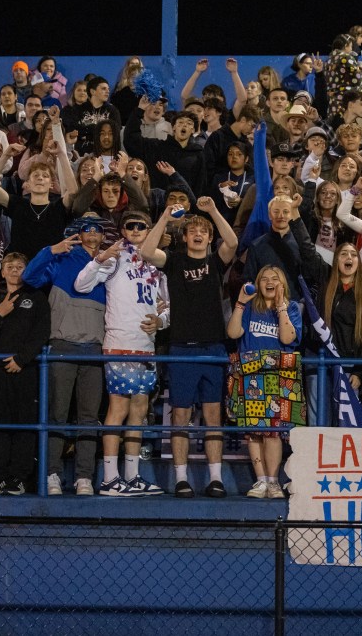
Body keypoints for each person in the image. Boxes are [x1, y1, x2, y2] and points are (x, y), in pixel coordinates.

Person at [141, 196, 238, 498]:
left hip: (213, 348)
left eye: (203, 232)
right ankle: (181, 478)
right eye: (192, 230)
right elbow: (146, 251)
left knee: (213, 415)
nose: (197, 234)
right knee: (180, 415)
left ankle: (215, 479)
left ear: (209, 238)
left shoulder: (215, 262)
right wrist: (165, 218)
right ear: (184, 237)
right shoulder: (174, 261)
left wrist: (213, 211)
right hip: (182, 347)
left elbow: (233, 242)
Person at [74, 212, 168, 496]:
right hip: (120, 342)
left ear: (149, 230)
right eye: (131, 226)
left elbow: (167, 305)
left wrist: (161, 322)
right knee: (119, 409)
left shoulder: (157, 262)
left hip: (146, 345)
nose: (136, 230)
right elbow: (81, 285)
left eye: (142, 226)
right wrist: (100, 259)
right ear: (123, 230)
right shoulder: (115, 257)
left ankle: (132, 476)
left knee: (139, 410)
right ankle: (109, 478)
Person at [22, 216, 108, 496]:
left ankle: (84, 477)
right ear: (79, 235)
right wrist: (50, 251)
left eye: (97, 230)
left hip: (94, 349)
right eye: (87, 230)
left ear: (103, 236)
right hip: (62, 345)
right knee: (57, 415)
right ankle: (52, 474)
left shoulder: (110, 265)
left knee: (89, 418)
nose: (92, 234)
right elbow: (29, 278)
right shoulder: (62, 259)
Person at [227, 264, 304, 499]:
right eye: (264, 279)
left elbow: (287, 338)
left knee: (273, 433)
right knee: (253, 432)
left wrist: (281, 308)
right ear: (258, 284)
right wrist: (240, 303)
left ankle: (273, 481)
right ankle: (260, 481)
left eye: (275, 278)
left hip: (277, 378)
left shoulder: (291, 307)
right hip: (251, 376)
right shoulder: (250, 307)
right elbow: (233, 333)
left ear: (283, 284)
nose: (269, 282)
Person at [0, 253, 50, 495]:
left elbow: (42, 332)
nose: (15, 270)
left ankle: (18, 478)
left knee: (24, 426)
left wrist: (22, 358)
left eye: (20, 266)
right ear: (2, 271)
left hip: (25, 371)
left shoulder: (37, 298)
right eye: (10, 266)